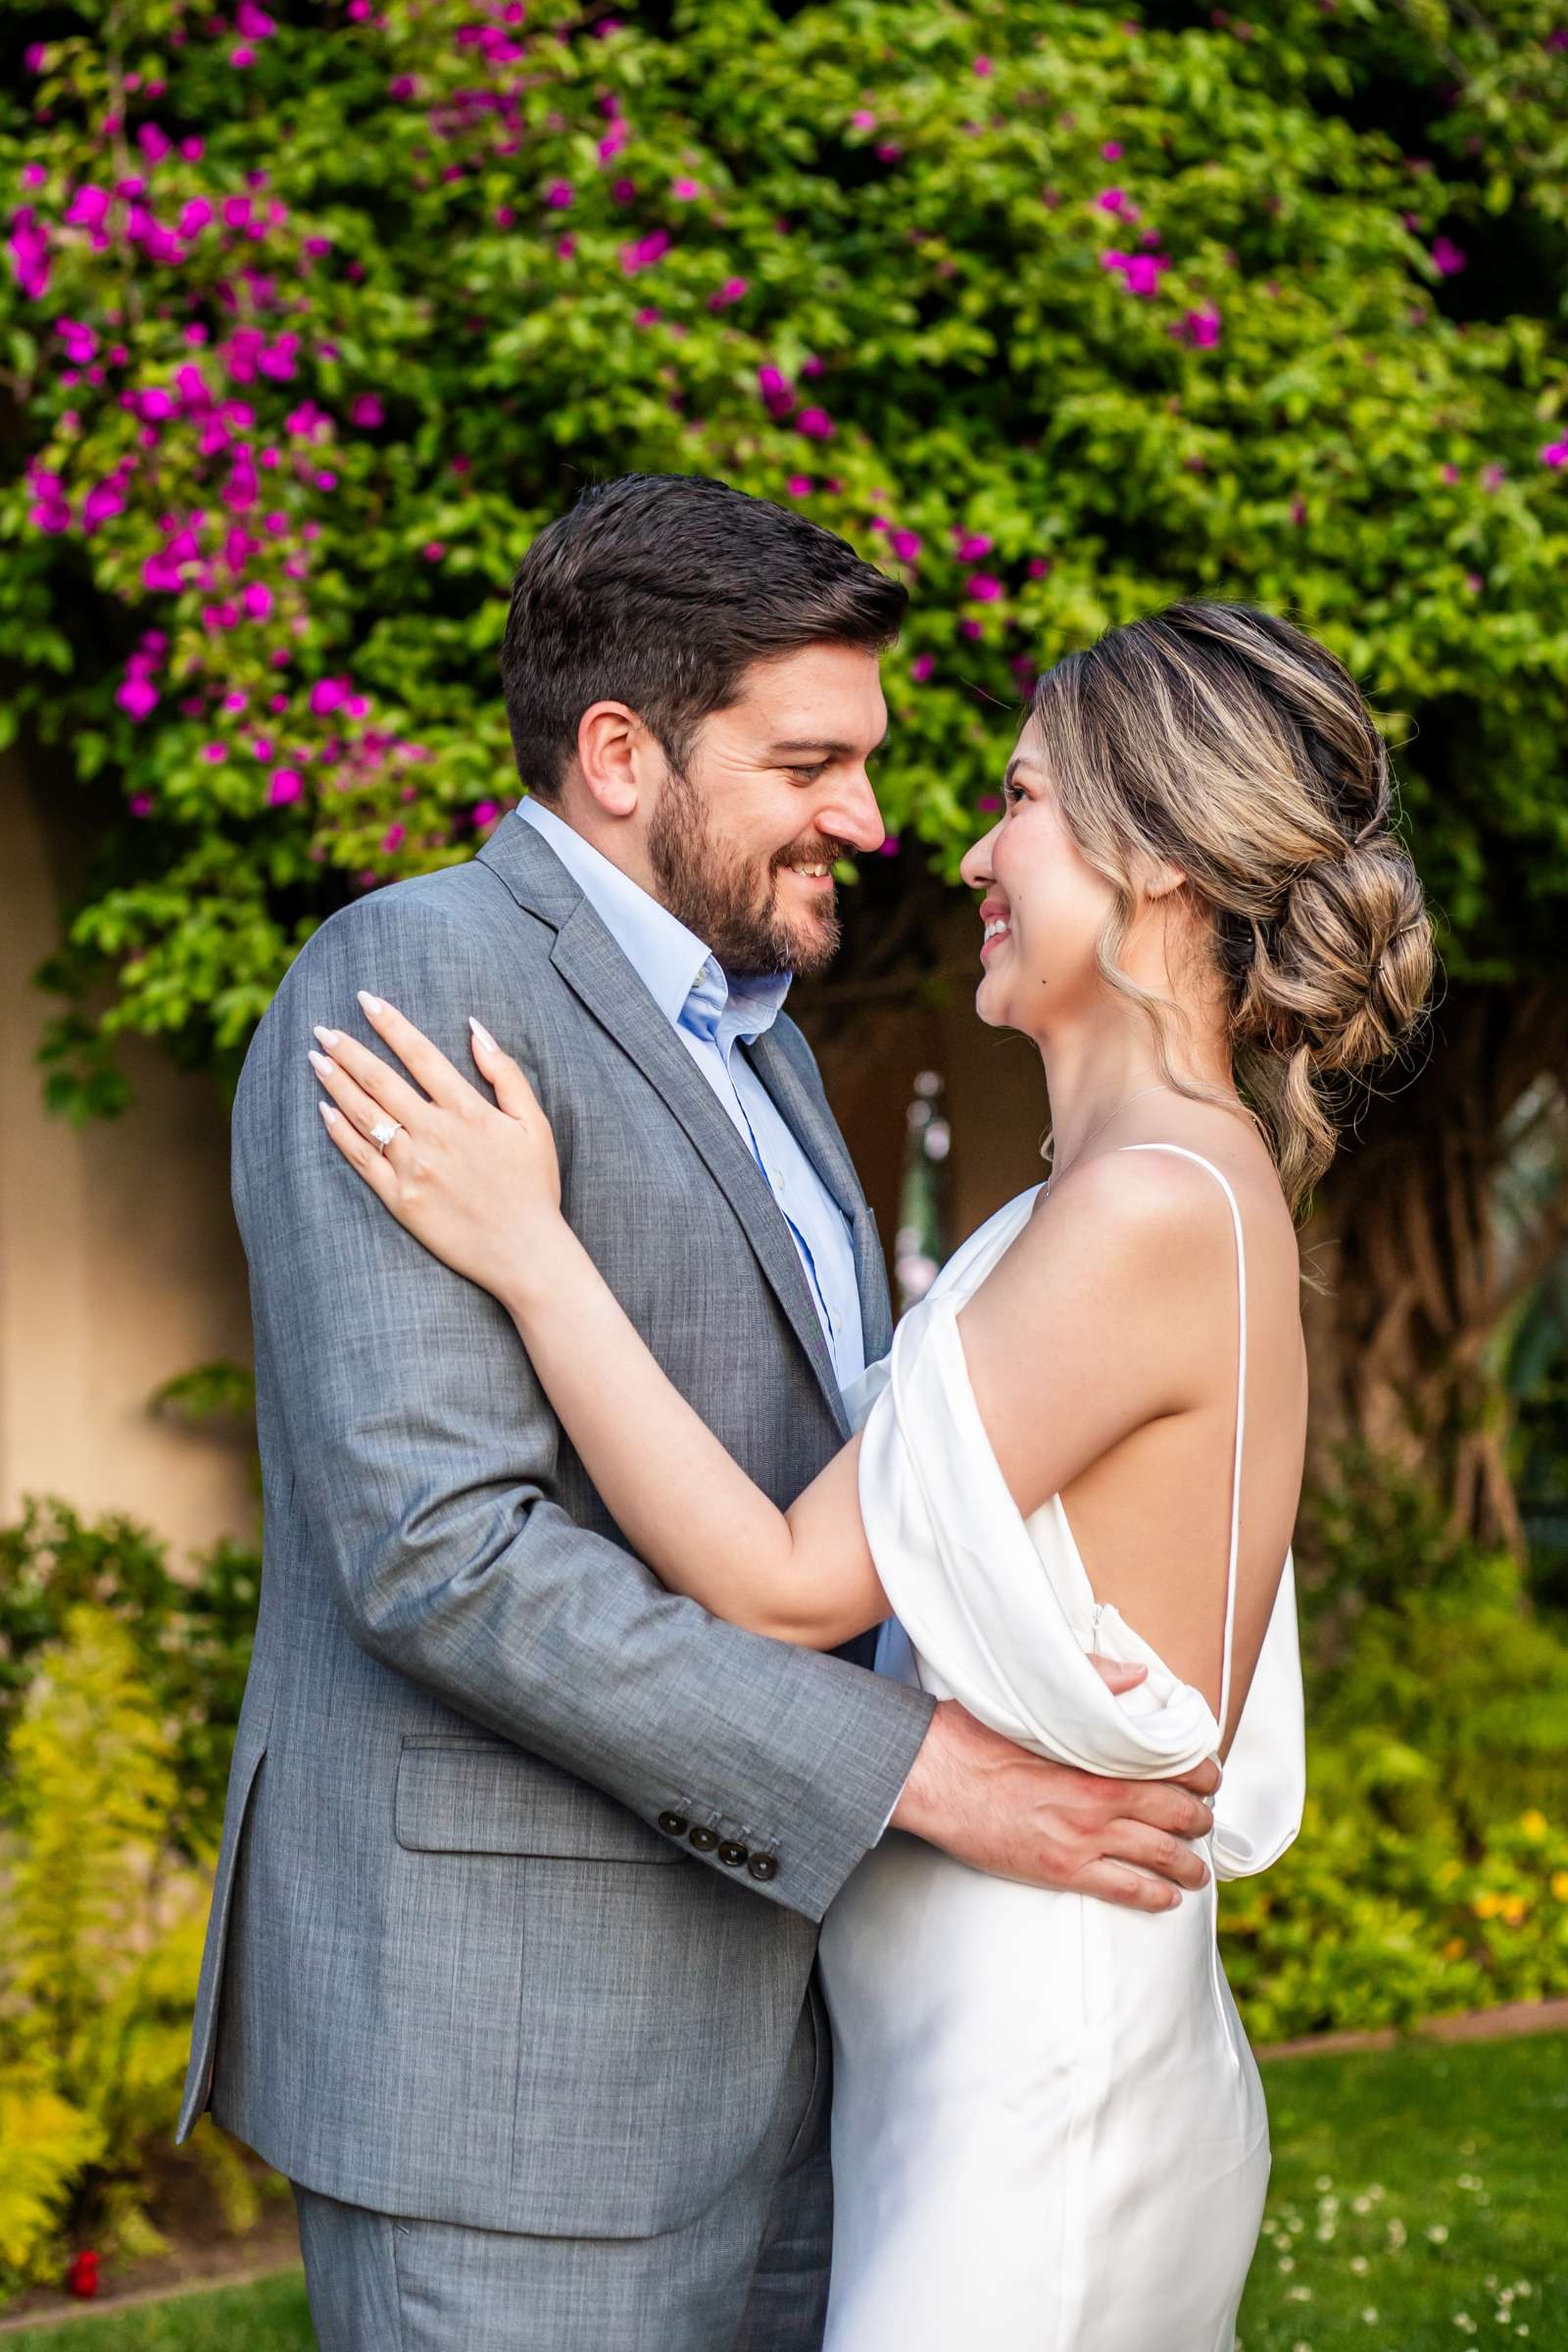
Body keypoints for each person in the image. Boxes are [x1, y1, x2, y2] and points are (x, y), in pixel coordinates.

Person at [312, 593, 1434, 2348]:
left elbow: (783, 1579)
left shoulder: (1148, 1205)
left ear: (1156, 864)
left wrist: (531, 1252)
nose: (970, 846)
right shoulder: (1145, 1186)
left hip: (1033, 2073)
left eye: (1025, 799)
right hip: (966, 2056)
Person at [175, 474, 1221, 2352]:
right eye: (811, 763)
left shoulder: (761, 1034)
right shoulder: (411, 978)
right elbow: (444, 1558)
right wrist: (920, 1774)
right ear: (618, 753)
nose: (875, 823)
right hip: (514, 2072)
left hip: (794, 2044)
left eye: (876, 764)